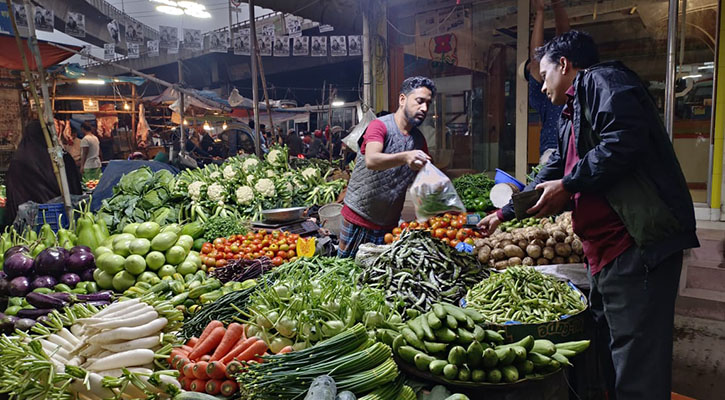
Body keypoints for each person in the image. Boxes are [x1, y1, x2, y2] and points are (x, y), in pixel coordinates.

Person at [477, 31, 698, 400]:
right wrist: (504, 212)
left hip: (636, 246)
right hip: (605, 253)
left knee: (638, 363)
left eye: (544, 75)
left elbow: (623, 140)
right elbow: (555, 174)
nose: (543, 86)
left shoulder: (602, 80)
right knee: (613, 356)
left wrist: (568, 183)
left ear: (564, 65)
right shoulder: (570, 114)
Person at [338, 76, 434, 258]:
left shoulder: (419, 140)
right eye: (420, 101)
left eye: (428, 103)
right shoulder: (379, 126)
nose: (424, 108)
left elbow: (421, 179)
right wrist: (406, 157)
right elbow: (372, 160)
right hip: (358, 217)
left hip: (388, 225)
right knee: (345, 274)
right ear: (402, 99)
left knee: (377, 280)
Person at [6, 120, 82, 223]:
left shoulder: (19, 160)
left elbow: (13, 194)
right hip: (61, 216)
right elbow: (75, 185)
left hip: (29, 220)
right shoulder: (61, 157)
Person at [528, 0, 569, 163]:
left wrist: (554, 6)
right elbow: (536, 58)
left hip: (572, 151)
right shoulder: (541, 96)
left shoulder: (570, 84)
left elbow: (566, 46)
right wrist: (540, 12)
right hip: (552, 152)